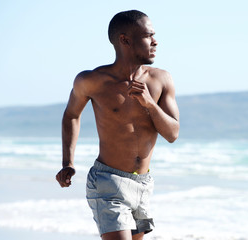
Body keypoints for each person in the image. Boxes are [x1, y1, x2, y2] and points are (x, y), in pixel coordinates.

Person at [55, 10, 179, 240]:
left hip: (143, 184)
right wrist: (67, 162)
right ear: (125, 40)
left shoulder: (161, 79)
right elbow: (71, 114)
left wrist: (149, 104)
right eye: (148, 35)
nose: (155, 41)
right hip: (107, 182)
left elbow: (172, 134)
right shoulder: (92, 80)